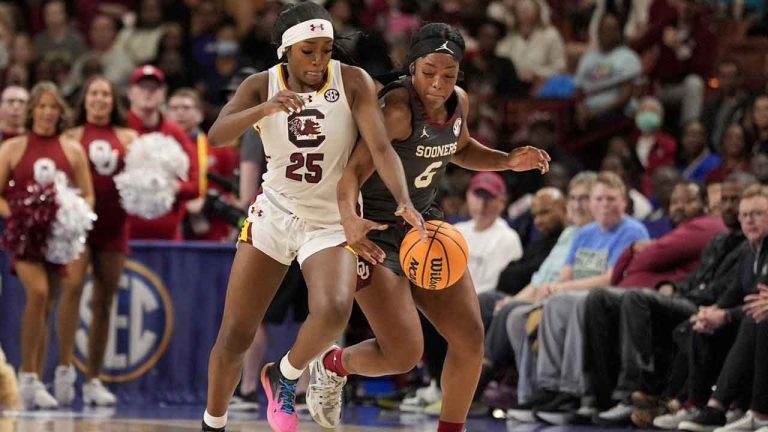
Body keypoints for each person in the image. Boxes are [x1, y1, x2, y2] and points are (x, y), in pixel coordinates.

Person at [200, 4, 423, 432]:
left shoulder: (351, 80)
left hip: (330, 219)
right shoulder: (259, 84)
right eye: (308, 51)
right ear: (286, 51)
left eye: (325, 49)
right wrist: (264, 110)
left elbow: (381, 148)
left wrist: (403, 199)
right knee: (235, 335)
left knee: (334, 309)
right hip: (275, 213)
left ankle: (283, 374)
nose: (319, 61)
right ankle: (214, 422)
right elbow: (217, 134)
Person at [328, 22, 550, 432]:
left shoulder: (459, 103)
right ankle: (333, 364)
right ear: (413, 67)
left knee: (469, 340)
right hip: (376, 232)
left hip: (425, 229)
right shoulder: (396, 110)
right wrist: (350, 223)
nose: (438, 83)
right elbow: (350, 175)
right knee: (403, 354)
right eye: (429, 71)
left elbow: (460, 149)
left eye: (449, 75)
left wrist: (506, 160)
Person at [0, 82, 93, 409]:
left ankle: (36, 380)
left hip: (57, 239)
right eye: (41, 106)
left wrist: (73, 217)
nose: (48, 112)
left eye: (54, 107)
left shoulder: (72, 150)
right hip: (24, 238)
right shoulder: (13, 147)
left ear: (60, 112)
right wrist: (18, 215)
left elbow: (87, 193)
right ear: (32, 111)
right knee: (37, 293)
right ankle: (27, 376)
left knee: (49, 303)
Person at [54, 76, 138, 407]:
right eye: (94, 93)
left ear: (113, 101)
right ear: (85, 99)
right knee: (72, 290)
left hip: (115, 228)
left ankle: (93, 378)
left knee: (104, 302)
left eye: (105, 94)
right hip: (78, 228)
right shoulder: (70, 136)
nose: (100, 99)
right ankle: (63, 370)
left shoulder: (129, 137)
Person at [126, 64, 200, 240]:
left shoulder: (176, 133)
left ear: (163, 93)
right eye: (142, 87)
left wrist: (173, 186)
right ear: (130, 92)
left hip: (168, 236)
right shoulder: (121, 129)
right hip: (125, 236)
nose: (148, 93)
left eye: (154, 88)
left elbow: (196, 185)